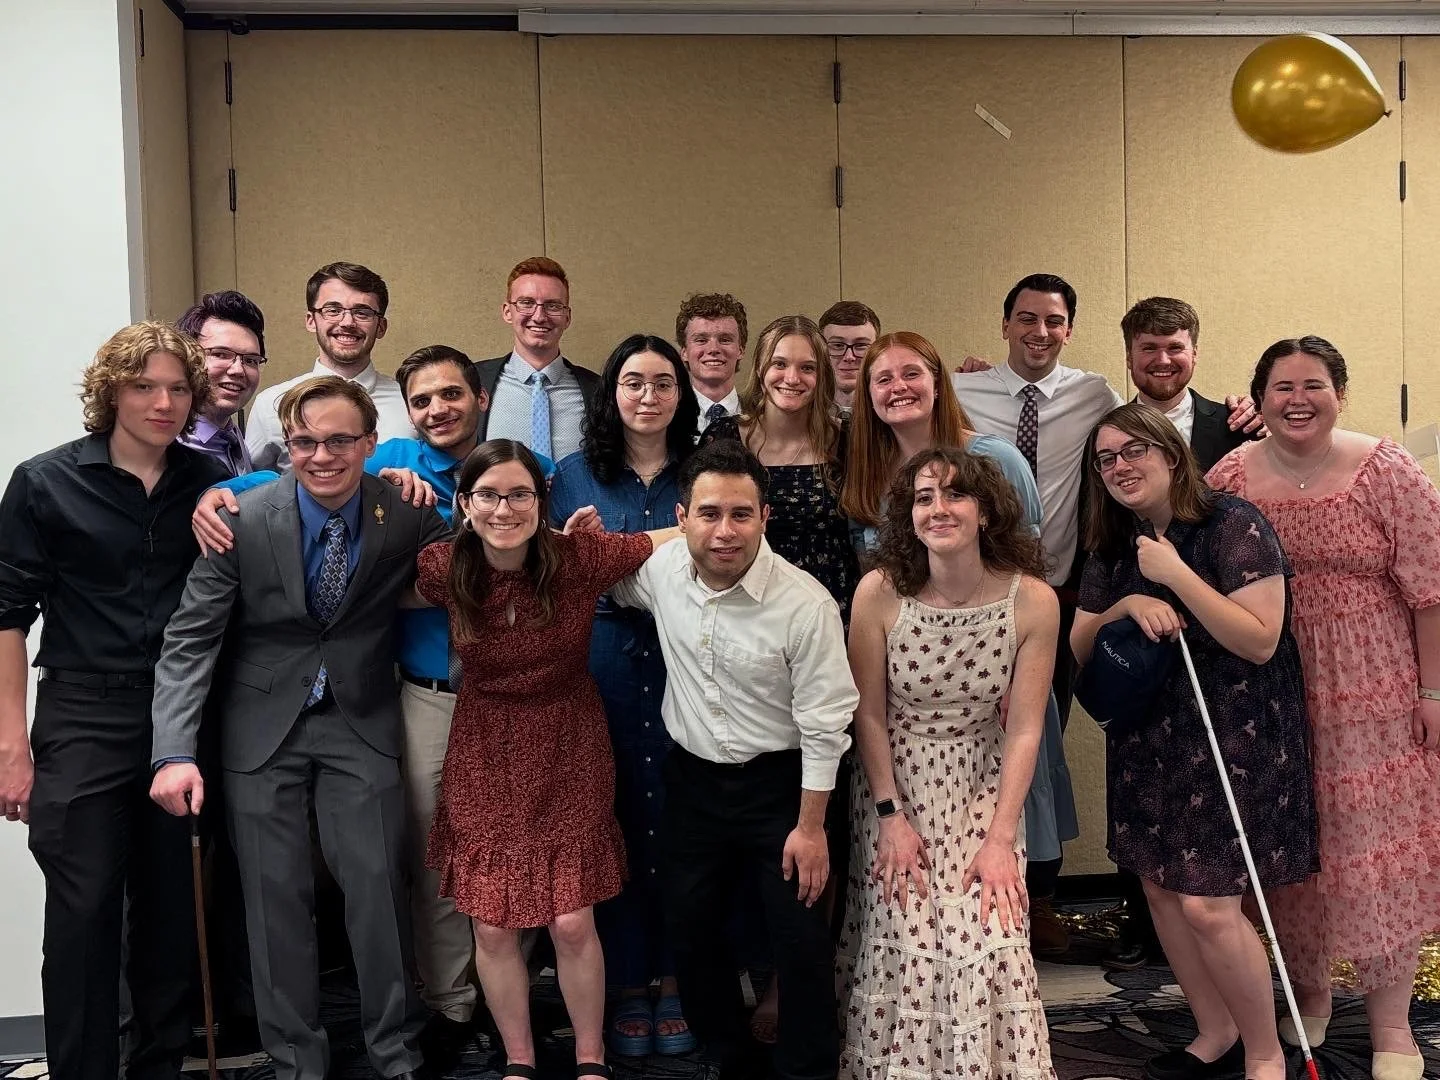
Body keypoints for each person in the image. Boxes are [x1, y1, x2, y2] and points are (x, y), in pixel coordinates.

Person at [149, 376, 450, 1080]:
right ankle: (296, 1062)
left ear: (370, 444)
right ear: (286, 446)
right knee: (273, 901)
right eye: (305, 442)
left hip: (359, 720)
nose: (322, 456)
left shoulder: (404, 512)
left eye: (340, 440)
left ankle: (396, 1052)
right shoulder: (242, 518)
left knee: (378, 890)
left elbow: (467, 568)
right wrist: (172, 750)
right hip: (260, 731)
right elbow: (189, 641)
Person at [0, 323, 228, 1080]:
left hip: (181, 719)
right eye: (144, 386)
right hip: (82, 715)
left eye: (178, 388)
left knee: (170, 915)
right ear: (111, 392)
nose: (163, 403)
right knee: (84, 909)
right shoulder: (44, 481)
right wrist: (11, 745)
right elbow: (7, 615)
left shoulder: (210, 480)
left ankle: (159, 1068)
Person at [1208, 337, 1440, 1080]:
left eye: (1313, 385)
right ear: (1259, 399)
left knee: (1376, 854)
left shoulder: (1387, 469)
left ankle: (1392, 1023)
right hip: (1272, 691)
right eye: (1282, 387)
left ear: (1340, 392)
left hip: (1376, 690)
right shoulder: (1231, 476)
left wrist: (1434, 693)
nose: (1298, 400)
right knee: (1293, 852)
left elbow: (1432, 591)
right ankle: (1310, 994)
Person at [414, 439, 678, 1080]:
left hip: (569, 744)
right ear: (464, 503)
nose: (504, 509)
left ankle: (590, 1058)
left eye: (519, 494)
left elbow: (674, 535)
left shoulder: (578, 557)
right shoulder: (442, 566)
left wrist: (735, 523)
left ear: (542, 500)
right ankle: (520, 1060)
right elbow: (374, 581)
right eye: (488, 495)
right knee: (493, 926)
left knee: (572, 920)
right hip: (484, 750)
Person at [1073, 403, 1318, 1080]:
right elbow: (1080, 643)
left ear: (1171, 454)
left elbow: (1260, 640)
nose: (1120, 467)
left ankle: (1266, 1056)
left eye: (1134, 451)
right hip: (1150, 741)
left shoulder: (1233, 523)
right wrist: (1128, 604)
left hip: (1232, 737)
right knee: (1159, 891)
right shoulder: (1114, 540)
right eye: (1106, 459)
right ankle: (1216, 1034)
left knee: (1209, 906)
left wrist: (1176, 576)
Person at [609, 440, 859, 1080]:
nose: (726, 531)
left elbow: (826, 724)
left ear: (764, 517)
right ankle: (732, 1060)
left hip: (785, 789)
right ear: (682, 518)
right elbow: (605, 576)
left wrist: (811, 827)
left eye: (742, 514)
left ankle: (807, 1072)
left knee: (800, 940)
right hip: (692, 783)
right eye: (710, 513)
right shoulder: (662, 572)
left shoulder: (804, 604)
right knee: (691, 931)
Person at [842, 329, 1078, 953]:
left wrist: (995, 668)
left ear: (938, 381)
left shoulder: (994, 457)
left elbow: (1026, 560)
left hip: (990, 679)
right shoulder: (864, 474)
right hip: (906, 682)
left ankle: (1027, 913)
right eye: (883, 379)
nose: (899, 388)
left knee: (999, 849)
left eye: (911, 374)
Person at [838, 446, 1059, 1080]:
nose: (939, 508)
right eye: (923, 498)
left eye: (955, 494)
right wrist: (890, 817)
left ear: (985, 512)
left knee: (993, 931)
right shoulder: (879, 592)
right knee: (912, 938)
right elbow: (868, 715)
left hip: (985, 781)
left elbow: (1026, 730)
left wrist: (1001, 837)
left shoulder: (1032, 601)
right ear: (908, 517)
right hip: (895, 781)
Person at [548, 334, 700, 1058]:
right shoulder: (573, 474)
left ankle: (677, 977)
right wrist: (665, 540)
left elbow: (721, 544)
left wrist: (611, 552)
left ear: (682, 394)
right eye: (633, 382)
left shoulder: (704, 469)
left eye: (663, 383)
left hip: (687, 658)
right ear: (610, 393)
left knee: (679, 818)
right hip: (600, 659)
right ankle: (628, 983)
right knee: (608, 823)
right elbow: (556, 567)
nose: (648, 396)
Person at [1106, 295, 1260, 971]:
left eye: (1175, 347)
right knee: (1143, 779)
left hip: (1223, 633)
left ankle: (1230, 940)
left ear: (1195, 351)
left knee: (1218, 794)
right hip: (1141, 619)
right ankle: (1149, 927)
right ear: (1130, 355)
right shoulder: (1108, 432)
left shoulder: (1236, 426)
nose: (1163, 359)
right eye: (1149, 347)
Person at [701, 314, 858, 623]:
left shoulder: (846, 440)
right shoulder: (724, 436)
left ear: (822, 375)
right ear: (761, 368)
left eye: (807, 368)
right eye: (779, 364)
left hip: (831, 608)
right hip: (747, 610)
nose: (792, 378)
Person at [245, 261, 414, 471]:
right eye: (333, 310)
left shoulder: (412, 403)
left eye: (362, 312)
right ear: (311, 320)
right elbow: (253, 485)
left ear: (381, 326)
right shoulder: (270, 404)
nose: (347, 322)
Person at [473, 256, 600, 462]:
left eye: (553, 306)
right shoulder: (473, 382)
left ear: (567, 317)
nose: (539, 316)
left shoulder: (599, 390)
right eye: (526, 303)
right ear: (507, 312)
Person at [176, 289, 268, 476]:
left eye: (251, 360)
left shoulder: (231, 438)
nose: (238, 370)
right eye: (220, 354)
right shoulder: (164, 448)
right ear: (186, 357)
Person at [676, 292, 748, 431]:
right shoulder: (667, 417)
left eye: (725, 340)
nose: (713, 349)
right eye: (701, 340)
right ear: (684, 352)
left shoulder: (762, 418)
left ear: (740, 350)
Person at [817, 300, 880, 415]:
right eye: (837, 345)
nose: (849, 357)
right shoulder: (801, 412)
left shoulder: (895, 414)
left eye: (860, 345)